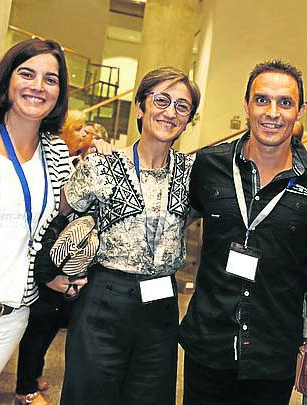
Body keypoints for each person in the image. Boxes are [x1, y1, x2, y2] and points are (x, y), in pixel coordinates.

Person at [180, 59, 307, 405]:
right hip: (209, 346)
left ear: (300, 112)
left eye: (285, 103)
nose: (273, 112)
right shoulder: (210, 166)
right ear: (247, 105)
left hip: (273, 355)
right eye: (262, 100)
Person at [0, 38, 84, 405]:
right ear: (7, 78)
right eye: (27, 73)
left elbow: (53, 227)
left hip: (8, 318)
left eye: (51, 79)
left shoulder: (55, 154)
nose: (38, 86)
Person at [60, 66, 200, 405]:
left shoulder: (195, 174)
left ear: (189, 119)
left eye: (182, 107)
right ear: (141, 106)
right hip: (105, 299)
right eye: (161, 100)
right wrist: (59, 270)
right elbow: (59, 215)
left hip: (161, 305)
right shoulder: (101, 165)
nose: (170, 112)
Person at [13, 109, 94, 405]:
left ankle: (33, 376)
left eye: (86, 128)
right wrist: (46, 271)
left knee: (49, 328)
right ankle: (24, 389)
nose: (86, 133)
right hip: (45, 262)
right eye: (79, 129)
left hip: (66, 263)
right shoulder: (49, 166)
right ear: (62, 134)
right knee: (37, 329)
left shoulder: (81, 163)